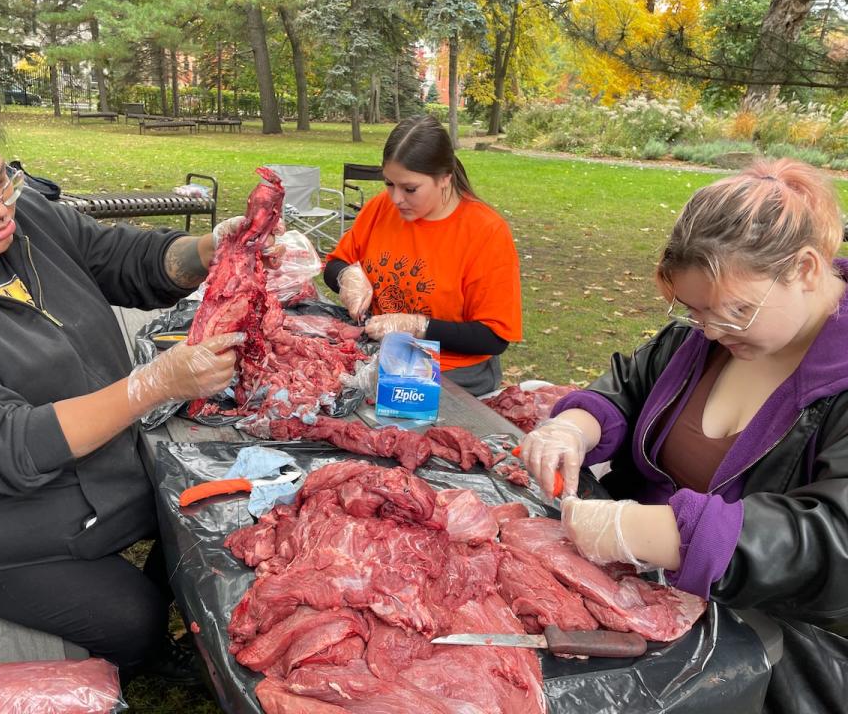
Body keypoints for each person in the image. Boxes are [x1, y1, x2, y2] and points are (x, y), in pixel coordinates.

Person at [0, 81, 272, 685]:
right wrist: (152, 385)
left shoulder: (22, 218)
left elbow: (122, 258)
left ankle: (168, 582)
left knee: (213, 514)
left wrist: (213, 248)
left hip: (93, 472)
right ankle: (149, 653)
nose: (0, 210)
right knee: (133, 618)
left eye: (2, 181)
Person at [519, 158, 848, 713]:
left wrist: (670, 534)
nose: (714, 332)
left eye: (737, 312)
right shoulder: (703, 339)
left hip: (768, 655)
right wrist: (576, 425)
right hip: (638, 609)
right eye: (698, 313)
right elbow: (630, 385)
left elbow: (835, 538)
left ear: (807, 270)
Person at [323, 114, 522, 396]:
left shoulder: (485, 232)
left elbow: (493, 337)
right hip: (378, 354)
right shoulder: (382, 209)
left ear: (444, 179)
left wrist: (419, 326)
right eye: (389, 183)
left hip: (452, 373)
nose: (396, 199)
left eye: (410, 189)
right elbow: (334, 264)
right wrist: (347, 276)